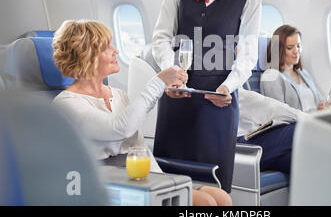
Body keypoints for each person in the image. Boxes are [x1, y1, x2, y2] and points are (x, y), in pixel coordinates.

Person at [51, 19, 231, 206]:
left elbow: (138, 143)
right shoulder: (65, 105)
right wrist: (158, 82)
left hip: (141, 178)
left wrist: (164, 183)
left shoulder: (118, 95)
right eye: (106, 47)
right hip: (108, 186)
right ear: (86, 56)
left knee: (221, 197)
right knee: (206, 203)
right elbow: (119, 128)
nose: (116, 51)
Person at [152, 0, 262, 193]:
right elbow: (162, 35)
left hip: (218, 103)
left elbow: (248, 53)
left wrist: (228, 86)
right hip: (176, 95)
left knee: (212, 185)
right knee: (169, 182)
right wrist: (170, 74)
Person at [260, 25, 326, 112]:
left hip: (314, 120)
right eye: (290, 47)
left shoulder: (303, 72)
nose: (296, 51)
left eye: (298, 46)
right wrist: (314, 112)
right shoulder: (271, 76)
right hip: (299, 124)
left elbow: (319, 99)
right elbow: (281, 114)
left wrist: (325, 105)